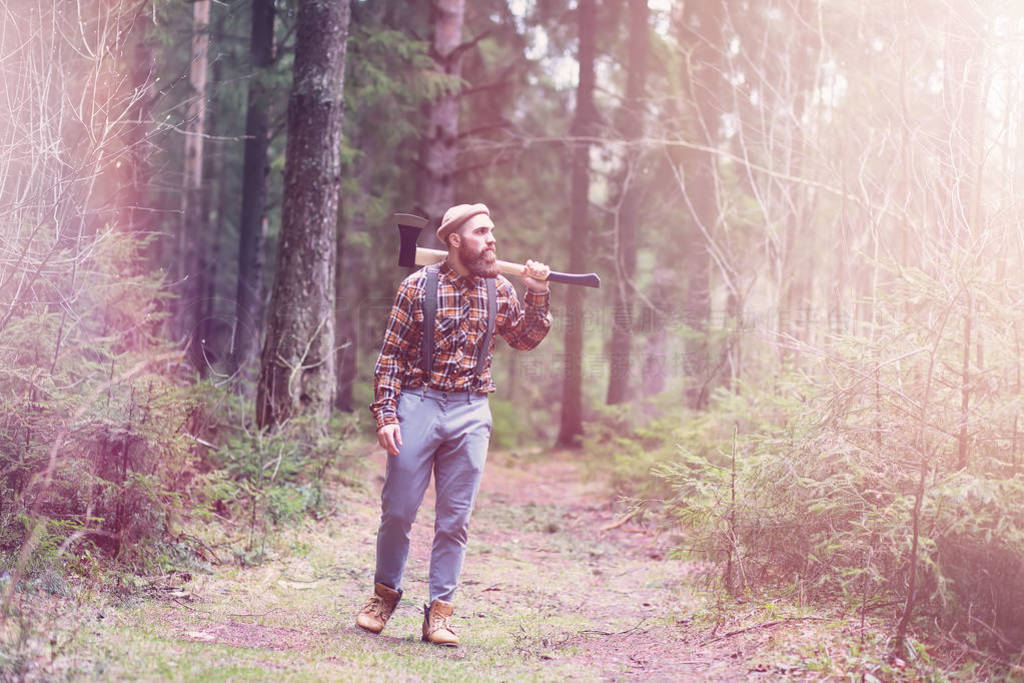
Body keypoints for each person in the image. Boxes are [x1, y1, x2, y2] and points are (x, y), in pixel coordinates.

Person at [356, 203, 552, 647]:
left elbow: (525, 339)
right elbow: (389, 356)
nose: (492, 239)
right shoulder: (416, 286)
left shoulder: (500, 289)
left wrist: (537, 291)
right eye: (481, 232)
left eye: (493, 231)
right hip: (418, 403)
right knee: (399, 509)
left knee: (455, 519)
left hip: (471, 410)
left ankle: (439, 614)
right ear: (454, 240)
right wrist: (386, 414)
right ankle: (383, 596)